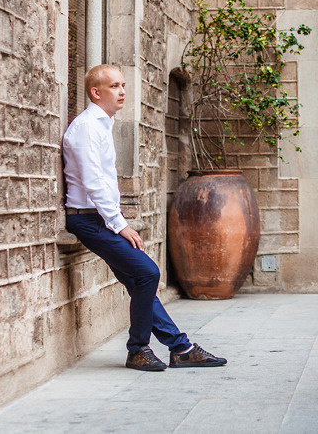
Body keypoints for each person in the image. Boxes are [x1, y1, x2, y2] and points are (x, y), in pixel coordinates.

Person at [63, 64, 227, 371]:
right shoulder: (86, 127)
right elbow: (92, 183)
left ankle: (180, 348)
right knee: (149, 273)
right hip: (87, 219)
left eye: (123, 85)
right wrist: (120, 224)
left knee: (142, 280)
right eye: (114, 86)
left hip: (99, 218)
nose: (122, 91)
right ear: (95, 92)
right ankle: (138, 349)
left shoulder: (101, 125)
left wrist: (116, 219)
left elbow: (104, 183)